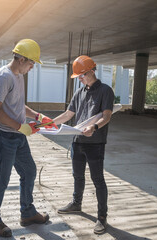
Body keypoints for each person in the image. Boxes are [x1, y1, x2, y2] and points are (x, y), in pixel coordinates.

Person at [0, 39, 58, 238]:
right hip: (3, 135)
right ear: (21, 58)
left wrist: (37, 116)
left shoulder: (18, 76)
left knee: (29, 171)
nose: (33, 67)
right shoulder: (4, 77)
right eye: (31, 63)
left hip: (17, 136)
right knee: (2, 178)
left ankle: (27, 213)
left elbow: (17, 105)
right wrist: (19, 126)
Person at [53, 55, 114, 234]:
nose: (79, 79)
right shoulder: (79, 92)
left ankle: (102, 217)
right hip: (77, 141)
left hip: (95, 143)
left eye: (81, 76)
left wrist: (94, 127)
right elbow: (68, 114)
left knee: (98, 180)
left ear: (92, 71)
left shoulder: (105, 91)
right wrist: (48, 123)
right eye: (78, 77)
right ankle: (76, 203)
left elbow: (107, 116)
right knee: (77, 176)